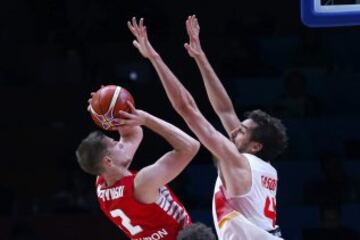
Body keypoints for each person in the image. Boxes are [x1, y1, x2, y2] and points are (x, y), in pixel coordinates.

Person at [128, 16, 288, 240]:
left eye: (241, 131)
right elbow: (225, 110)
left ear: (255, 145)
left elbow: (187, 108)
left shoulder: (237, 161)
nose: (233, 131)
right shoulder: (265, 167)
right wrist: (200, 57)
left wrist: (154, 57)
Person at [76, 100, 200, 239]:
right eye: (115, 143)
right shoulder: (142, 184)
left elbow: (131, 134)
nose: (120, 142)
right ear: (108, 161)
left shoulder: (102, 181)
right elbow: (190, 147)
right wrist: (146, 119)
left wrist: (108, 108)